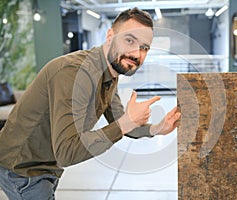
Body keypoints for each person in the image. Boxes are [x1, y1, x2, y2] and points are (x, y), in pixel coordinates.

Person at [0, 7, 181, 199]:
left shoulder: (110, 71)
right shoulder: (74, 74)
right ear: (110, 36)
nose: (137, 53)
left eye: (144, 47)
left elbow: (121, 120)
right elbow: (67, 152)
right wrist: (126, 123)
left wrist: (156, 129)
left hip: (47, 166)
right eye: (129, 40)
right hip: (22, 169)